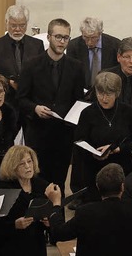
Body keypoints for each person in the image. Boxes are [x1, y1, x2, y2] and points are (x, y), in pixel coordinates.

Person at [17, 18, 85, 192]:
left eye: (66, 38)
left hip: (63, 135)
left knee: (59, 183)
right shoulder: (31, 65)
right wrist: (35, 108)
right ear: (48, 37)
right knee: (39, 182)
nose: (62, 41)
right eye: (58, 37)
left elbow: (78, 101)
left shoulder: (76, 67)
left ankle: (57, 218)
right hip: (39, 134)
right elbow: (21, 99)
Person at [45, 163, 132, 256]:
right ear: (122, 187)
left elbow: (59, 233)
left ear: (97, 186)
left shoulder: (86, 212)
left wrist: (56, 204)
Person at [74, 72, 132, 201]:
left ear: (117, 93)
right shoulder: (87, 113)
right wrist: (93, 153)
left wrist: (118, 148)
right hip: (94, 170)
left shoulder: (128, 111)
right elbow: (79, 141)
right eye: (100, 94)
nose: (104, 98)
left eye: (108, 94)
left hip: (123, 168)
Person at [0, 145, 49, 256]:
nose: (28, 166)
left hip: (37, 245)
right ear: (12, 167)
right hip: (12, 247)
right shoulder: (3, 190)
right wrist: (14, 225)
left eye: (29, 161)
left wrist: (48, 222)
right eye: (22, 163)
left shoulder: (41, 185)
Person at [0, 5, 44, 109]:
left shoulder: (37, 45)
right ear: (6, 23)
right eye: (13, 25)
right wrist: (8, 82)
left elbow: (42, 72)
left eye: (22, 25)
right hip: (6, 101)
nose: (17, 30)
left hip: (31, 102)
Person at [66, 17, 120, 88]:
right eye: (86, 37)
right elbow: (70, 73)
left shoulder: (115, 45)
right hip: (82, 91)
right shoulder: (73, 46)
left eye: (93, 37)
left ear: (100, 33)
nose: (89, 42)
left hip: (108, 90)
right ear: (82, 33)